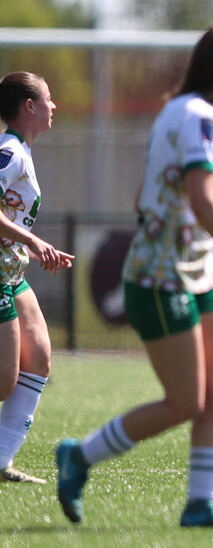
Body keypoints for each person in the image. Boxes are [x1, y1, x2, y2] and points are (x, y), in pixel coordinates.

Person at [55, 22, 213, 528]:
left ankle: (200, 504)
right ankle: (79, 455)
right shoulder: (200, 116)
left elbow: (147, 195)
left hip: (197, 267)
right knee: (186, 401)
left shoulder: (176, 111)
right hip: (161, 274)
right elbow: (201, 195)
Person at [0, 72, 74, 484]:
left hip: (12, 270)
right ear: (29, 106)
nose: (54, 106)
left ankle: (0, 460)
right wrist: (33, 239)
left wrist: (33, 247)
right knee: (3, 381)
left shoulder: (20, 151)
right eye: (48, 99)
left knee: (40, 356)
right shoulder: (9, 151)